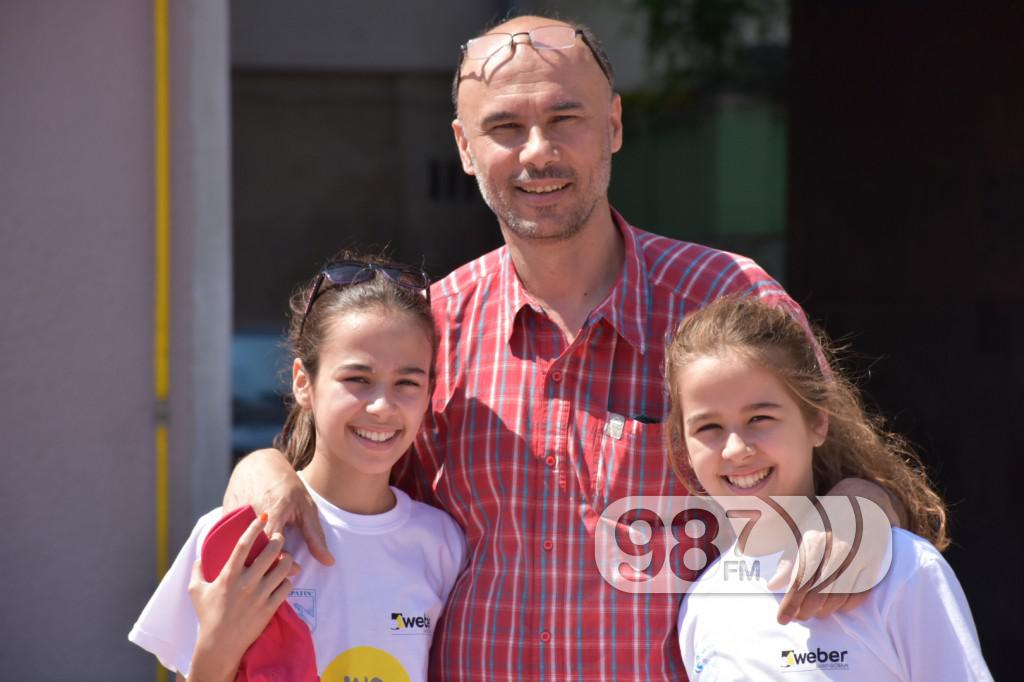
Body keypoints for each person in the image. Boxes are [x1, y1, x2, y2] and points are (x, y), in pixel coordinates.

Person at [224, 15, 904, 680]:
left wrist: (864, 507)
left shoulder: (729, 296)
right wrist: (262, 470)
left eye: (564, 118)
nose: (537, 152)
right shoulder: (432, 330)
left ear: (613, 124)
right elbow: (338, 499)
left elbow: (868, 480)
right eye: (505, 128)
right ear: (465, 147)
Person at [129, 256, 465, 681]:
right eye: (358, 379)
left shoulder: (442, 545)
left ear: (430, 392)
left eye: (407, 383)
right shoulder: (238, 537)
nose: (382, 406)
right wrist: (218, 642)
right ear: (303, 384)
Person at [668, 295, 992, 680]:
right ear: (684, 446)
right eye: (709, 428)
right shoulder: (704, 605)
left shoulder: (905, 570)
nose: (737, 449)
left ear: (817, 422)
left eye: (760, 417)